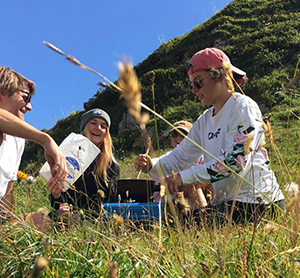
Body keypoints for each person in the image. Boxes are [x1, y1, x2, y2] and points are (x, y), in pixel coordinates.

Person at [135, 48, 284, 225]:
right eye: (191, 84)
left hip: (259, 203)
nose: (193, 90)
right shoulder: (204, 120)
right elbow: (181, 155)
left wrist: (182, 177)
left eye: (198, 82)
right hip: (229, 204)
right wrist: (152, 164)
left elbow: (235, 163)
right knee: (175, 225)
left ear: (219, 75)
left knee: (181, 227)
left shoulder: (243, 107)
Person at [0, 66, 67, 215]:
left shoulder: (17, 140)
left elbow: (7, 191)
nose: (29, 107)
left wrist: (9, 225)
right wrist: (45, 139)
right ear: (2, 94)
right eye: (26, 98)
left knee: (62, 219)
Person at [47, 108, 120, 222]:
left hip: (99, 220)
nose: (98, 128)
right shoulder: (69, 157)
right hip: (69, 216)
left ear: (107, 133)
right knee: (43, 217)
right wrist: (57, 196)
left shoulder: (112, 166)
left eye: (103, 126)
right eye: (93, 123)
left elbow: (112, 201)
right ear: (85, 127)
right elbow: (60, 202)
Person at [152, 120, 212, 210]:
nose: (178, 138)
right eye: (175, 135)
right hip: (172, 205)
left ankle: (203, 217)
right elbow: (157, 195)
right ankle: (202, 218)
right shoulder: (164, 161)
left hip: (200, 197)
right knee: (191, 185)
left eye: (184, 135)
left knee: (194, 185)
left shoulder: (201, 158)